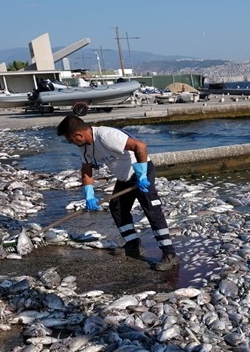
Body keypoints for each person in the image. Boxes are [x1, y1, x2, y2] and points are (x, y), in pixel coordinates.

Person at [56, 114, 178, 270]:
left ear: (78, 135)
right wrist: (89, 195)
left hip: (141, 172)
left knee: (152, 211)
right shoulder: (84, 146)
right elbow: (86, 169)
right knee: (118, 208)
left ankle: (169, 254)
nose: (71, 143)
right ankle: (133, 245)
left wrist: (141, 175)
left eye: (70, 140)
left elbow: (140, 146)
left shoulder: (107, 136)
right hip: (124, 177)